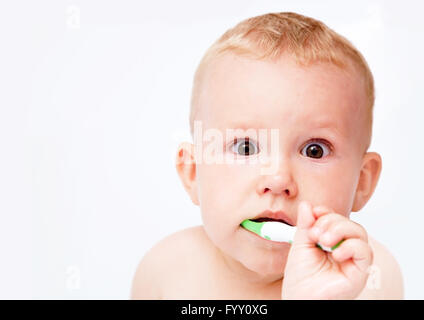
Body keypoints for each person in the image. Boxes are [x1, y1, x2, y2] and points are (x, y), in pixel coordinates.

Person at [131, 12, 404, 299]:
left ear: (362, 181)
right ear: (193, 173)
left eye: (314, 150)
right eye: (245, 147)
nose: (277, 180)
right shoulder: (166, 272)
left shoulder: (369, 278)